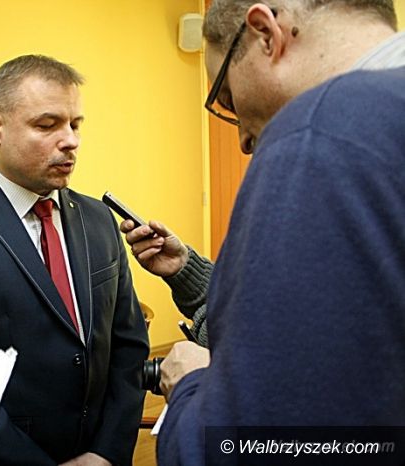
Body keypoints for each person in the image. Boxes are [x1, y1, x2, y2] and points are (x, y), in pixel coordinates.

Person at [123, 1, 405, 465]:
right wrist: (189, 273)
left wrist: (190, 385)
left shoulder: (315, 137)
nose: (243, 140)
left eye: (228, 100)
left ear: (265, 34)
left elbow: (244, 447)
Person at [0, 54, 150, 466]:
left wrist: (106, 452)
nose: (70, 140)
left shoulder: (99, 219)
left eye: (75, 125)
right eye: (47, 125)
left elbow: (128, 347)